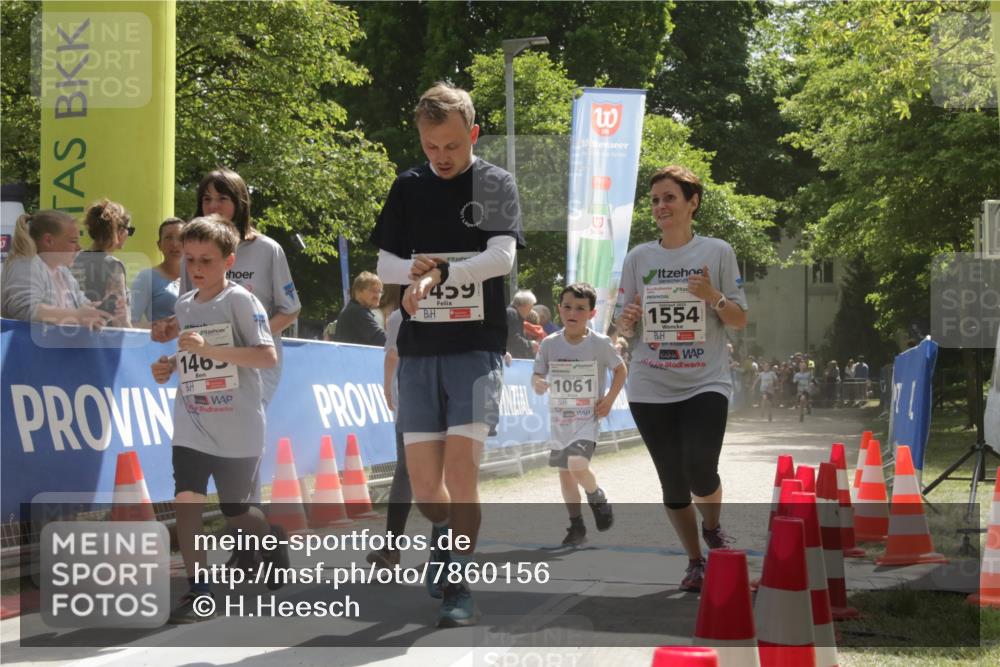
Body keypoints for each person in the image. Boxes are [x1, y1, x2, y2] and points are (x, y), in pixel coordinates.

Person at [369, 82, 524, 627]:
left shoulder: (497, 183)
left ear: (473, 134)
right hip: (418, 350)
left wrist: (445, 272)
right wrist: (410, 272)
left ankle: (459, 583)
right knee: (429, 491)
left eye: (452, 146)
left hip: (474, 350)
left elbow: (503, 256)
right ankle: (441, 534)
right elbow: (384, 263)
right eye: (432, 146)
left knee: (462, 479)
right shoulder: (407, 186)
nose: (441, 157)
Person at [615, 165, 748, 593]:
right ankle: (695, 561)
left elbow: (740, 320)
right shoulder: (639, 258)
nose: (660, 207)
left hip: (704, 380)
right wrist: (628, 321)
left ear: (693, 203)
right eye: (654, 200)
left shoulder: (718, 252)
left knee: (700, 469)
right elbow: (622, 325)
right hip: (650, 382)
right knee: (671, 478)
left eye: (669, 198)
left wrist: (713, 297)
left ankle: (712, 527)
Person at [149, 215, 288, 623]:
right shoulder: (184, 304)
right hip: (192, 421)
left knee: (236, 512)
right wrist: (170, 364)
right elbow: (194, 351)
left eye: (206, 260)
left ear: (229, 261)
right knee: (187, 503)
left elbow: (266, 356)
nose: (196, 269)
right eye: (190, 259)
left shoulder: (242, 300)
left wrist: (208, 349)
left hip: (239, 424)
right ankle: (199, 590)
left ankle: (272, 538)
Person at [532, 283, 625, 546]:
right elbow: (538, 373)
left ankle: (597, 496)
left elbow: (621, 370)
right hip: (560, 420)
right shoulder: (549, 343)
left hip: (587, 419)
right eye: (567, 307)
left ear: (592, 314)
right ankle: (576, 526)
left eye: (580, 309)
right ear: (559, 309)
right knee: (565, 474)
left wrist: (608, 399)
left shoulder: (599, 343)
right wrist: (538, 382)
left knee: (576, 465)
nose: (573, 313)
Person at [1, 210, 113, 329]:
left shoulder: (63, 273)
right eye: (73, 241)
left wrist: (103, 308)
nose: (79, 247)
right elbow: (24, 308)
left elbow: (82, 305)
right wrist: (76, 316)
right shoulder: (26, 265)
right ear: (48, 240)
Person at [366, 307, 412, 569]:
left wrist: (387, 391)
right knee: (410, 471)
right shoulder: (397, 317)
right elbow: (392, 355)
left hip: (411, 400)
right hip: (416, 401)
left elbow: (392, 356)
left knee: (406, 471)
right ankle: (391, 548)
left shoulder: (397, 316)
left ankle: (391, 548)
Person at [72, 199, 133, 327]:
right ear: (120, 230)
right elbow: (120, 319)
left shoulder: (73, 259)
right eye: (129, 230)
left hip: (71, 333)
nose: (128, 234)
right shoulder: (113, 265)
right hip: (103, 338)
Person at [131, 217, 184, 326]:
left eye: (181, 238)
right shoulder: (146, 277)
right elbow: (131, 323)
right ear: (159, 245)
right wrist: (166, 327)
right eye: (169, 238)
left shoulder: (198, 277)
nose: (175, 244)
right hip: (159, 342)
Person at [332, 271, 387, 346]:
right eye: (373, 290)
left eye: (380, 291)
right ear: (358, 291)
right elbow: (382, 340)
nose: (377, 295)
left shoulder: (353, 309)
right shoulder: (357, 312)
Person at [506, 289, 538, 359]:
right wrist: (530, 344)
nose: (530, 312)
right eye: (530, 308)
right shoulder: (512, 313)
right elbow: (513, 339)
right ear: (524, 305)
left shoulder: (514, 313)